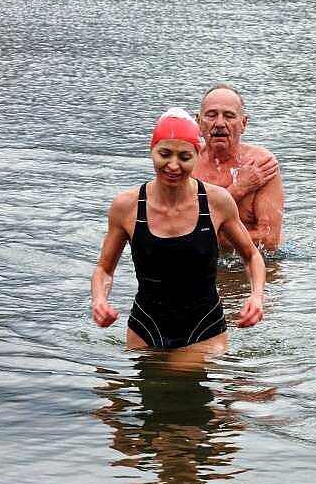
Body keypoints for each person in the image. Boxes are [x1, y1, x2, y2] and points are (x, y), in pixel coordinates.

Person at [91, 107, 266, 353]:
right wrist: (100, 299)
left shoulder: (217, 201)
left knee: (175, 375)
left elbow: (251, 256)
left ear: (197, 155)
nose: (173, 165)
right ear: (152, 151)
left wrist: (256, 296)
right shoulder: (126, 206)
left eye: (184, 157)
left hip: (205, 328)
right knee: (143, 385)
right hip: (145, 328)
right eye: (164, 154)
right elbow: (104, 269)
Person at [192, 83, 285, 251]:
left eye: (229, 116)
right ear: (199, 122)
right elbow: (177, 231)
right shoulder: (187, 166)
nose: (220, 123)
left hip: (255, 264)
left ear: (243, 123)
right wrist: (239, 188)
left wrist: (210, 237)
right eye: (211, 115)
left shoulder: (261, 164)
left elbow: (270, 241)